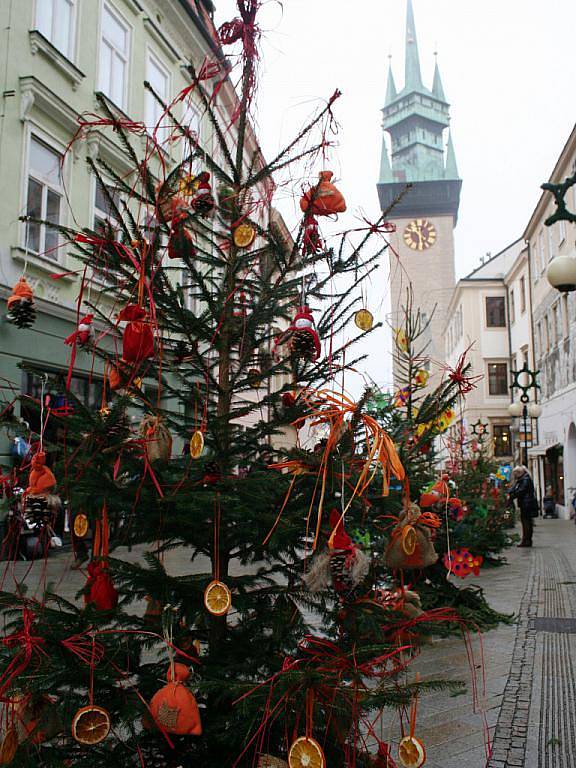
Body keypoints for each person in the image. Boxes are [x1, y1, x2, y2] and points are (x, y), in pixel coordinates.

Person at [508, 465, 539, 547]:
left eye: (515, 474)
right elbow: (515, 488)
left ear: (519, 473)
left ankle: (527, 540)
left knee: (526, 522)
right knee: (526, 522)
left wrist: (512, 495)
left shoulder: (525, 479)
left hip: (526, 504)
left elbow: (521, 490)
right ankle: (526, 540)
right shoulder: (523, 479)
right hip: (525, 503)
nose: (514, 476)